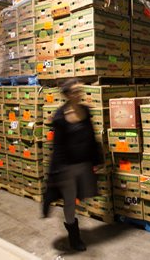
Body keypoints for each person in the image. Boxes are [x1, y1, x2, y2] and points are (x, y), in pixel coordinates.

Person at [42, 78, 103, 252]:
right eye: (75, 91)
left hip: (83, 165)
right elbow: (58, 147)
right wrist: (57, 171)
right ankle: (74, 238)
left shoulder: (85, 111)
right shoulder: (60, 117)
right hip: (67, 168)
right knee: (70, 201)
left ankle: (74, 228)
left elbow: (92, 136)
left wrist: (97, 160)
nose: (79, 94)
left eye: (80, 90)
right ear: (68, 95)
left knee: (84, 195)